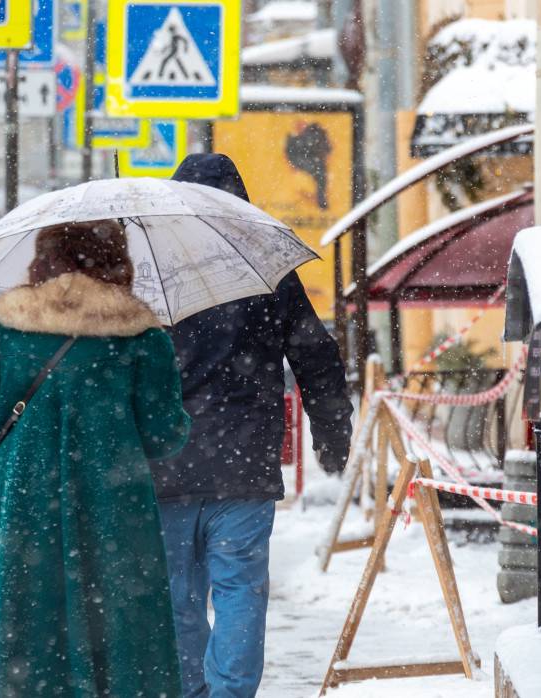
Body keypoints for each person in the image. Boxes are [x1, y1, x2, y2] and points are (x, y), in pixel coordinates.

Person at [0, 220, 191, 697]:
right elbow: (163, 436)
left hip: (18, 507)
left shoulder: (2, 329)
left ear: (43, 258)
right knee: (118, 640)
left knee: (21, 641)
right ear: (118, 260)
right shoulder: (140, 335)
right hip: (113, 510)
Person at [153, 153, 354, 698]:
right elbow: (317, 358)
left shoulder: (150, 275)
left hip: (164, 464)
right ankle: (230, 694)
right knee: (241, 589)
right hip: (244, 464)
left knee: (176, 596)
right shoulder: (265, 274)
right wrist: (333, 434)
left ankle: (190, 690)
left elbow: (114, 368)